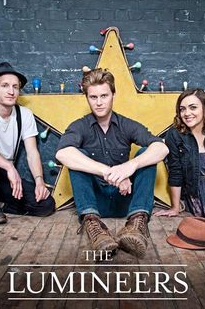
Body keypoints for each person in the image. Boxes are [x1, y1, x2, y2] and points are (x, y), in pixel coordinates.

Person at [56, 68, 169, 258]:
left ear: (113, 95)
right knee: (77, 155)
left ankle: (136, 224)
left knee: (146, 154)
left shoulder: (127, 124)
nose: (99, 102)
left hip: (126, 199)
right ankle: (94, 227)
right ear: (87, 98)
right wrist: (110, 172)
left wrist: (129, 167)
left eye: (104, 95)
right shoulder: (79, 126)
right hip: (95, 203)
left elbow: (162, 148)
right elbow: (62, 153)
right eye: (93, 97)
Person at [0, 62, 55, 225]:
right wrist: (9, 166)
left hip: (3, 178)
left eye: (15, 86)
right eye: (5, 85)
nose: (11, 91)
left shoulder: (24, 114)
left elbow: (32, 151)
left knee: (46, 205)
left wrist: (39, 181)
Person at [154, 88, 205, 221]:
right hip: (196, 194)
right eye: (182, 109)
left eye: (193, 107)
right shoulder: (175, 135)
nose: (187, 113)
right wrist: (175, 208)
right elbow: (176, 172)